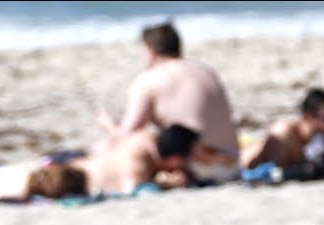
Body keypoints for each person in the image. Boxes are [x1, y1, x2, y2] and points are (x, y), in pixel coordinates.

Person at [95, 21, 241, 184]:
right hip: (233, 162)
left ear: (150, 52)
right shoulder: (206, 71)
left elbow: (127, 133)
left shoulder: (148, 80)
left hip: (196, 164)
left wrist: (108, 124)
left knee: (131, 142)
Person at [0, 124, 200, 203]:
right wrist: (170, 187)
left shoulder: (143, 138)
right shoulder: (139, 167)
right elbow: (133, 188)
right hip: (69, 178)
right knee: (17, 184)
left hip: (71, 164)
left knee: (14, 176)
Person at [240, 87, 324, 171]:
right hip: (238, 164)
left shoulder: (318, 139)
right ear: (309, 117)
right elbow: (270, 169)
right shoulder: (284, 134)